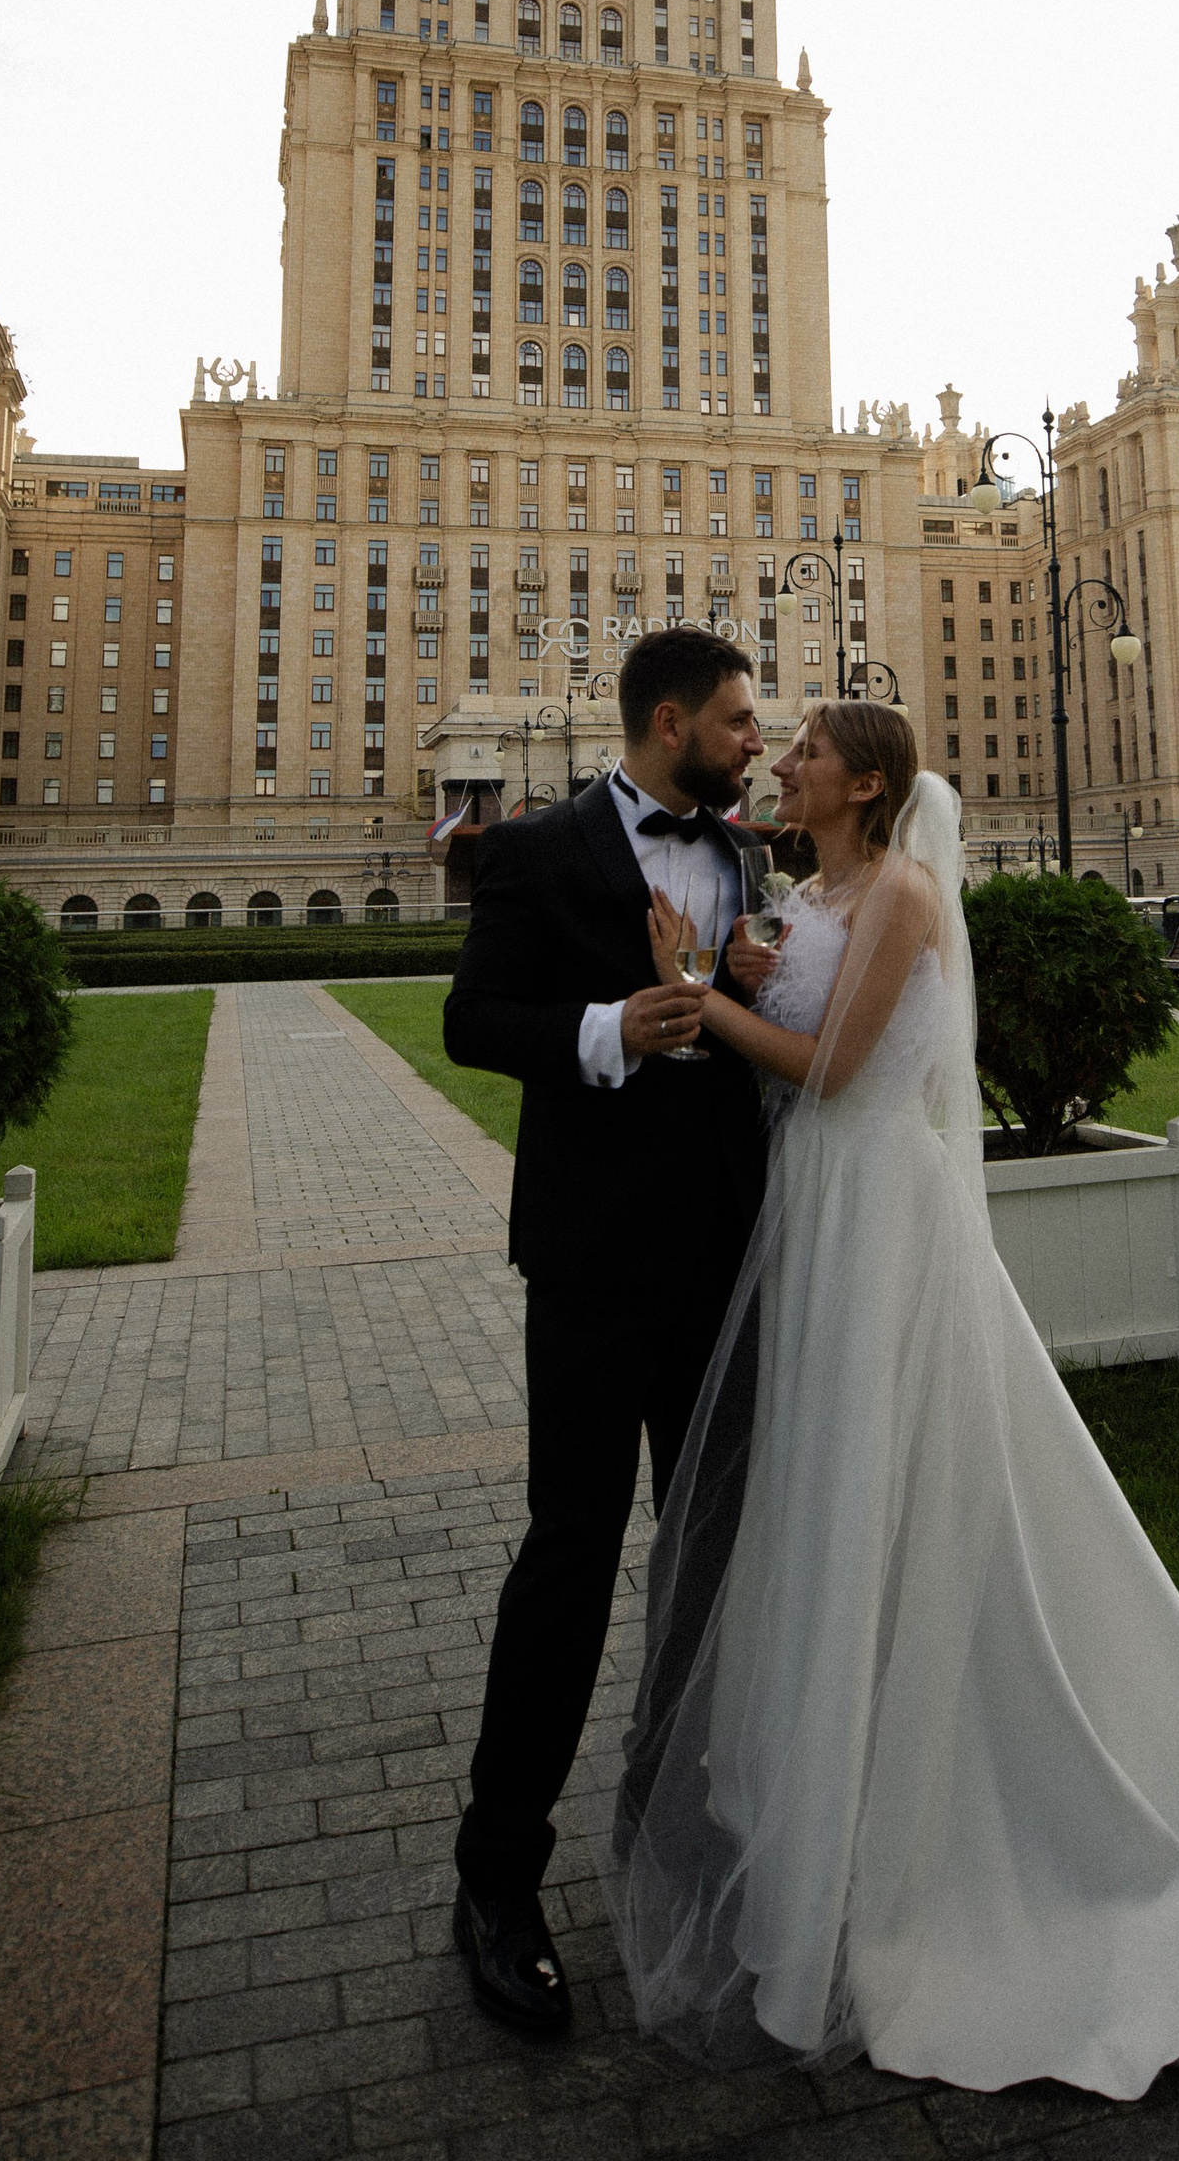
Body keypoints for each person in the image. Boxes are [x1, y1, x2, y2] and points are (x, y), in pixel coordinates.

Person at [610, 702, 1179, 2101]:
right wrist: (745, 969)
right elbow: (802, 1030)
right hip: (818, 1211)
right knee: (830, 1481)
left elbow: (836, 1071)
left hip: (881, 1210)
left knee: (899, 1463)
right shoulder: (812, 896)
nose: (780, 763)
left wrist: (699, 997)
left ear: (867, 781)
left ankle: (960, 1804)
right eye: (778, 748)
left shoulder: (905, 894)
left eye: (806, 753)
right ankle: (832, 1773)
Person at [442, 625, 778, 2035]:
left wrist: (740, 987)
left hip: (723, 1265)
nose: (755, 740)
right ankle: (496, 1879)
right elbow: (473, 1021)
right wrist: (605, 1032)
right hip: (591, 1268)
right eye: (738, 719)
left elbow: (747, 1031)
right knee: (570, 1559)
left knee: (709, 1555)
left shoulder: (745, 855)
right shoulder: (536, 850)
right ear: (668, 722)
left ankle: (679, 1827)